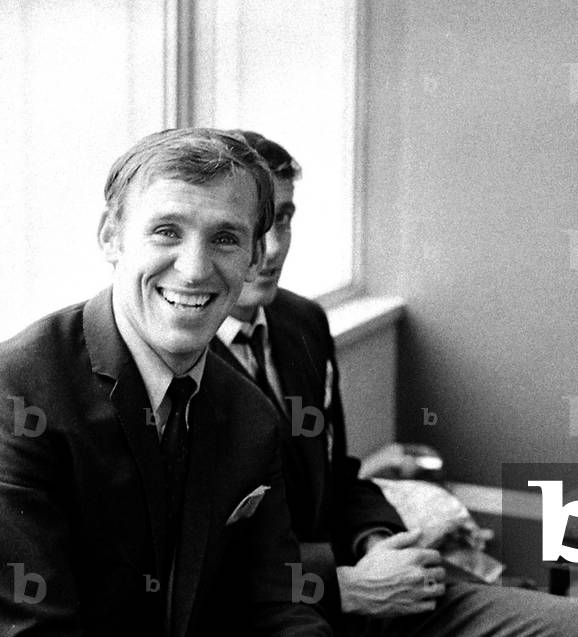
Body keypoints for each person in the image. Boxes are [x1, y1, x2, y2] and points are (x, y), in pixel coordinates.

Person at [212, 130, 578, 637]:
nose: (274, 246)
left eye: (283, 218)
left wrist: (377, 542)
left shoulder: (301, 323)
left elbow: (340, 478)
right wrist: (341, 586)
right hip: (282, 611)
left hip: (369, 578)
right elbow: (201, 565)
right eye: (257, 224)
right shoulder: (181, 361)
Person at [0, 128, 331, 636]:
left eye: (225, 238)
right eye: (167, 232)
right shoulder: (17, 393)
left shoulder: (252, 415)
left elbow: (279, 606)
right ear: (111, 237)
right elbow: (34, 630)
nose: (195, 270)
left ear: (252, 258)